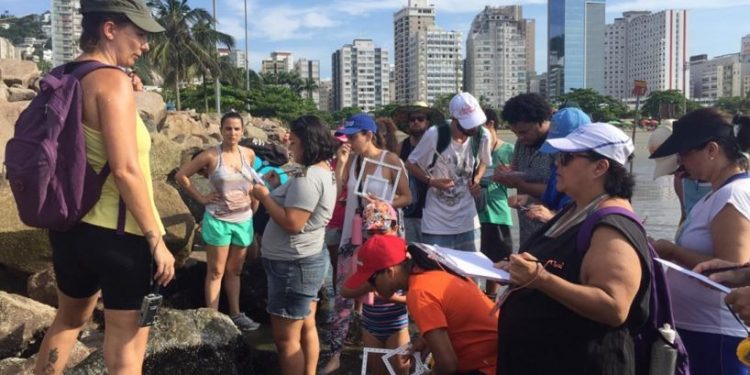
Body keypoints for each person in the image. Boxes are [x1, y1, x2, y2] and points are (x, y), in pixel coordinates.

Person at [34, 2, 175, 374]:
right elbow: (126, 169)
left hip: (70, 229)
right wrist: (156, 240)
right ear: (109, 30)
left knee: (67, 323)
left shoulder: (67, 75)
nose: (145, 45)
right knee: (125, 353)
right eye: (140, 34)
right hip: (120, 235)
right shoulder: (112, 81)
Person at [497, 123, 652, 374]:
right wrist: (516, 270)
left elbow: (614, 306)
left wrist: (540, 279)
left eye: (566, 157)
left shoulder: (612, 225)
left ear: (600, 167)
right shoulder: (576, 209)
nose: (556, 163)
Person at [650, 109, 750, 375]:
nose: (681, 163)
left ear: (712, 150)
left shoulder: (732, 195)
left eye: (684, 154)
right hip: (702, 329)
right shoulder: (715, 195)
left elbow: (734, 270)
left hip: (719, 335)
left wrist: (672, 251)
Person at [324, 113, 410, 373]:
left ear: (368, 135)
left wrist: (384, 204)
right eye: (347, 136)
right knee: (343, 290)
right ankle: (336, 353)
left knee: (384, 289)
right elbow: (340, 191)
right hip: (355, 234)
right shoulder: (353, 159)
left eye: (353, 136)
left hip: (385, 237)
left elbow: (407, 197)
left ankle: (388, 346)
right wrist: (341, 164)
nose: (348, 141)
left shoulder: (391, 160)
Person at [252, 115, 337, 375]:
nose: (291, 148)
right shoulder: (322, 170)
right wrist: (280, 187)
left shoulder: (308, 177)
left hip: (293, 265)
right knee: (307, 324)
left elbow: (293, 222)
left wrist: (265, 197)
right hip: (306, 258)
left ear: (309, 143)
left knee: (287, 340)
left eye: (296, 142)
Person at [344, 236, 498, 374]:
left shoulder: (419, 293)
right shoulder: (436, 268)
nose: (371, 287)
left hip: (490, 366)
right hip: (500, 351)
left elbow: (448, 365)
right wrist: (425, 341)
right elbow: (457, 319)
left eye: (371, 281)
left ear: (390, 272)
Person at [175, 111, 260, 331]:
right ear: (221, 130)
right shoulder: (211, 156)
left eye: (237, 129)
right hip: (218, 220)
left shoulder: (248, 154)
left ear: (242, 131)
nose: (232, 133)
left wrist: (253, 201)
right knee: (215, 271)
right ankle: (211, 319)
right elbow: (181, 176)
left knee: (235, 271)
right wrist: (202, 198)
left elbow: (252, 182)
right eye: (228, 128)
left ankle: (236, 314)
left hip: (243, 220)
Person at [406, 92, 491, 252]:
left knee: (470, 273)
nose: (473, 128)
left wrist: (477, 179)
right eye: (468, 124)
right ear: (454, 119)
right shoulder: (436, 134)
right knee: (438, 273)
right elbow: (411, 164)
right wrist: (431, 182)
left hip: (468, 221)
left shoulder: (482, 135)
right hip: (437, 223)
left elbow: (484, 161)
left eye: (475, 123)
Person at [340, 201, 410, 375]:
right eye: (371, 233)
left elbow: (415, 298)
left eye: (382, 231)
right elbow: (345, 290)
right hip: (370, 324)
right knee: (376, 371)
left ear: (395, 227)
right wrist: (369, 285)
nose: (377, 237)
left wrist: (391, 297)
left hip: (397, 324)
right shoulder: (362, 254)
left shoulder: (404, 255)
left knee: (401, 370)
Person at [509, 107, 592, 224]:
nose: (557, 161)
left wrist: (552, 218)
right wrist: (529, 200)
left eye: (566, 155)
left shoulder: (594, 181)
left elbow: (588, 220)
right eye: (557, 153)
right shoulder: (557, 170)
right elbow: (550, 199)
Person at [493, 93, 553, 245]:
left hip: (553, 230)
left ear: (541, 121)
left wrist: (521, 184)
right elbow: (514, 174)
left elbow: (560, 190)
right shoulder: (522, 144)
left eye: (524, 132)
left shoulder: (558, 146)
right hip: (527, 231)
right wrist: (504, 176)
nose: (520, 137)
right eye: (515, 133)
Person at [477, 108, 514, 296]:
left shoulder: (508, 150)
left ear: (490, 125)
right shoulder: (474, 150)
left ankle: (491, 298)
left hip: (498, 214)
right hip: (474, 216)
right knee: (476, 259)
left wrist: (508, 175)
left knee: (498, 261)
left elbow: (521, 180)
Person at [394, 102, 444, 243]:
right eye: (412, 119)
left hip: (433, 210)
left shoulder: (436, 146)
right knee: (410, 253)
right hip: (408, 211)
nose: (416, 122)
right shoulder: (401, 147)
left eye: (420, 119)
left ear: (427, 122)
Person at [648, 120, 712, 225]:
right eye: (672, 172)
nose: (679, 175)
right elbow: (685, 217)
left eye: (680, 167)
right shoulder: (680, 181)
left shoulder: (729, 185)